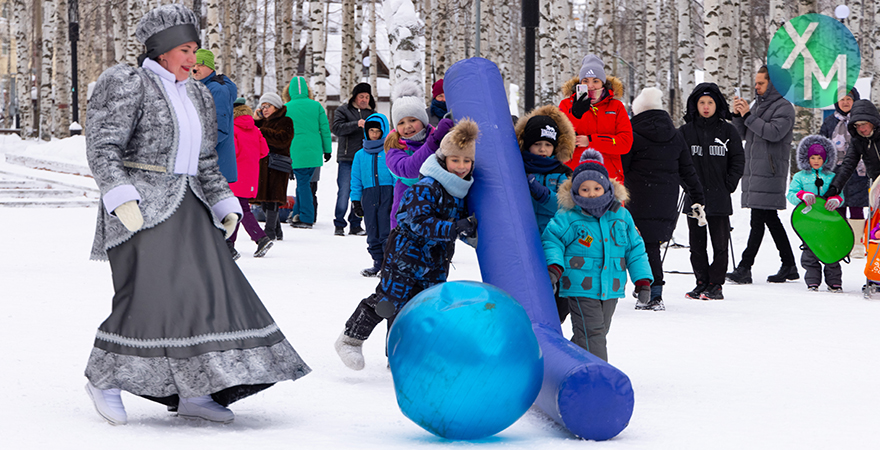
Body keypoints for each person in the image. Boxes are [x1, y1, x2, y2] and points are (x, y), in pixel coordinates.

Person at [83, 4, 309, 426]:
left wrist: (224, 202)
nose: (192, 58)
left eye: (195, 50)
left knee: (207, 294)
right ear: (161, 50)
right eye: (184, 50)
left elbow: (206, 160)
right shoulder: (129, 83)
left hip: (190, 205)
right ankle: (104, 378)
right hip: (139, 207)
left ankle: (195, 390)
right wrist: (119, 194)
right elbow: (103, 145)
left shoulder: (199, 94)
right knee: (148, 295)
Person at [335, 119, 479, 370]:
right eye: (455, 159)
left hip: (436, 259)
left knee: (424, 307)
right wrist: (456, 227)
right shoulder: (427, 187)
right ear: (443, 159)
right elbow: (418, 222)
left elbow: (461, 224)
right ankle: (350, 338)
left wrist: (469, 232)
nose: (461, 166)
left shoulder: (461, 191)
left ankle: (399, 354)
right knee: (389, 301)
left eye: (467, 161)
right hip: (405, 255)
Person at [542, 149, 652, 361]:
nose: (591, 193)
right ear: (576, 191)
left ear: (607, 188)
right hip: (580, 285)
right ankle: (599, 375)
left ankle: (563, 363)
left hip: (611, 287)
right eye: (585, 189)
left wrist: (643, 280)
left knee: (593, 333)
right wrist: (554, 267)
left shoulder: (621, 215)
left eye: (596, 188)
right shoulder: (569, 216)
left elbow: (635, 249)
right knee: (593, 334)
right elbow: (552, 240)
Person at [622, 87, 705, 311]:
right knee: (651, 246)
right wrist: (697, 195)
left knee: (637, 245)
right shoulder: (675, 135)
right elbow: (687, 170)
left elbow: (622, 168)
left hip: (636, 198)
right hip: (665, 200)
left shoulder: (632, 134)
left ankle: (649, 291)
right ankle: (651, 289)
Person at [727, 66, 798, 284]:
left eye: (761, 83)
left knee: (759, 220)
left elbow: (773, 133)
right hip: (756, 170)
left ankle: (745, 267)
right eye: (756, 83)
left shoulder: (785, 108)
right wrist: (737, 115)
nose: (756, 87)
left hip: (770, 170)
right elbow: (743, 133)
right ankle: (789, 264)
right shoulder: (758, 105)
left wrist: (748, 116)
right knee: (768, 218)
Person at [677, 83, 745, 300]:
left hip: (719, 195)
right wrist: (687, 186)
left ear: (717, 105)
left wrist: (729, 185)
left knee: (720, 244)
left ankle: (716, 284)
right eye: (702, 103)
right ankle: (701, 281)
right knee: (696, 245)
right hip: (694, 198)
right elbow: (676, 161)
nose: (706, 107)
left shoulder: (728, 131)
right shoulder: (685, 132)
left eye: (710, 102)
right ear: (695, 105)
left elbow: (738, 160)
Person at [515, 104, 575, 321]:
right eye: (537, 144)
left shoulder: (562, 173)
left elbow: (567, 206)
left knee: (557, 300)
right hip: (525, 239)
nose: (542, 149)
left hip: (554, 242)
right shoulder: (517, 168)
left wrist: (543, 195)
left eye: (548, 144)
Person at [559, 54, 633, 181]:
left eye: (595, 81)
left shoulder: (616, 106)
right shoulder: (566, 105)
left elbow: (625, 143)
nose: (590, 86)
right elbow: (560, 140)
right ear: (580, 82)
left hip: (609, 176)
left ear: (603, 83)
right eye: (585, 81)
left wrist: (591, 141)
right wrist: (575, 115)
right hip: (574, 174)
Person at [786, 135, 844, 292]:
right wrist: (802, 196)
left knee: (831, 249)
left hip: (828, 221)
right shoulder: (800, 177)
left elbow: (840, 194)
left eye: (820, 158)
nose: (816, 161)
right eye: (813, 157)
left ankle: (834, 281)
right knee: (810, 252)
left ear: (826, 159)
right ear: (807, 158)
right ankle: (812, 281)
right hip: (808, 221)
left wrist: (837, 200)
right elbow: (791, 194)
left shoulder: (832, 177)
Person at [384, 81, 440, 229]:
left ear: (423, 120)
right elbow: (409, 171)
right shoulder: (394, 147)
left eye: (413, 120)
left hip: (435, 214)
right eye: (401, 123)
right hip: (406, 218)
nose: (407, 126)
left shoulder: (438, 140)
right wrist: (432, 144)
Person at [820, 88, 868, 258]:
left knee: (856, 207)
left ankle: (857, 244)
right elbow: (822, 145)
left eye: (849, 99)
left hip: (858, 171)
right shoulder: (829, 122)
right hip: (836, 172)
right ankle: (839, 242)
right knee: (837, 207)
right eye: (842, 99)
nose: (845, 102)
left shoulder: (861, 121)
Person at [283, 76, 332, 229]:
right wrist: (327, 150)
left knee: (302, 184)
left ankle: (306, 217)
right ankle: (298, 213)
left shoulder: (286, 108)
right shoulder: (316, 106)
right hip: (314, 152)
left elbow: (284, 133)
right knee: (304, 183)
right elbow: (325, 129)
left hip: (296, 152)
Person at [226, 99, 273, 259]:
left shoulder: (232, 128)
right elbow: (264, 151)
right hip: (251, 176)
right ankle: (229, 245)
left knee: (239, 210)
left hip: (234, 175)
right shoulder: (254, 129)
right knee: (238, 209)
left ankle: (260, 238)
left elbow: (232, 152)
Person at [350, 113, 395, 277]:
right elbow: (356, 179)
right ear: (366, 132)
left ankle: (388, 265)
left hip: (388, 194)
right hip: (369, 196)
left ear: (384, 131)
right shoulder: (360, 155)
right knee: (372, 230)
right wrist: (356, 200)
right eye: (371, 131)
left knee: (386, 230)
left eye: (377, 131)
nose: (374, 134)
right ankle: (377, 262)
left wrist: (397, 196)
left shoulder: (390, 152)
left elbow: (396, 175)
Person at [331, 82, 376, 236]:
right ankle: (339, 223)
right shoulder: (343, 110)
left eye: (367, 97)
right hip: (347, 158)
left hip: (366, 159)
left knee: (361, 193)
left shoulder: (372, 114)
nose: (364, 100)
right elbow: (336, 128)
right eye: (361, 96)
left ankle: (355, 224)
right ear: (355, 97)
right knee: (344, 192)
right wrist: (356, 124)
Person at [191, 48, 238, 183]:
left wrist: (197, 151)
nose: (195, 69)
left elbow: (219, 129)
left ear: (210, 68)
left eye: (200, 65)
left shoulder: (217, 90)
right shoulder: (199, 88)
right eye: (193, 65)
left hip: (214, 167)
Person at [253, 92, 294, 241]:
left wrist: (263, 131)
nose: (264, 110)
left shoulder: (286, 121)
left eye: (267, 106)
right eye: (262, 107)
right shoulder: (263, 122)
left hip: (277, 165)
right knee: (265, 200)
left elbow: (283, 140)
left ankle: (269, 230)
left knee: (273, 198)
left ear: (276, 106)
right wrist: (256, 121)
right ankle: (277, 230)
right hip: (263, 166)